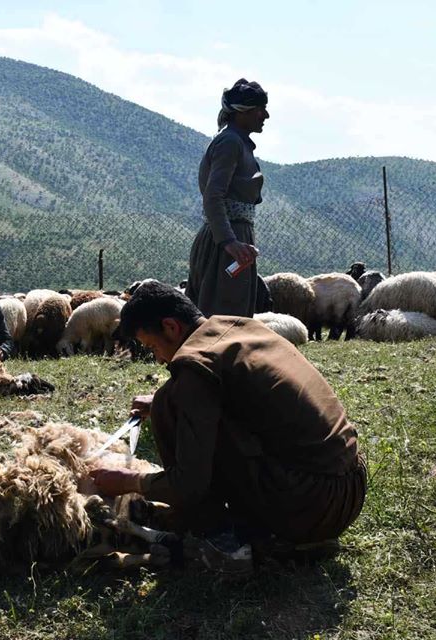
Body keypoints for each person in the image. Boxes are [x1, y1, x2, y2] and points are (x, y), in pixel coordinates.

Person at [92, 282, 366, 570]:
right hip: (349, 486)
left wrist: (130, 481)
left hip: (311, 504)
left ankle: (226, 542)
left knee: (168, 404)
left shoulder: (194, 366)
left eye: (153, 346)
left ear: (171, 327)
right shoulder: (240, 327)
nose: (159, 358)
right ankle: (284, 530)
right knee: (166, 400)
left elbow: (190, 484)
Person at [187, 78, 269, 318]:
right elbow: (213, 195)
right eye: (259, 109)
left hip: (232, 237)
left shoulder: (237, 142)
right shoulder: (230, 142)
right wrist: (229, 242)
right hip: (224, 243)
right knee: (223, 313)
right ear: (241, 113)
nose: (265, 115)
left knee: (234, 310)